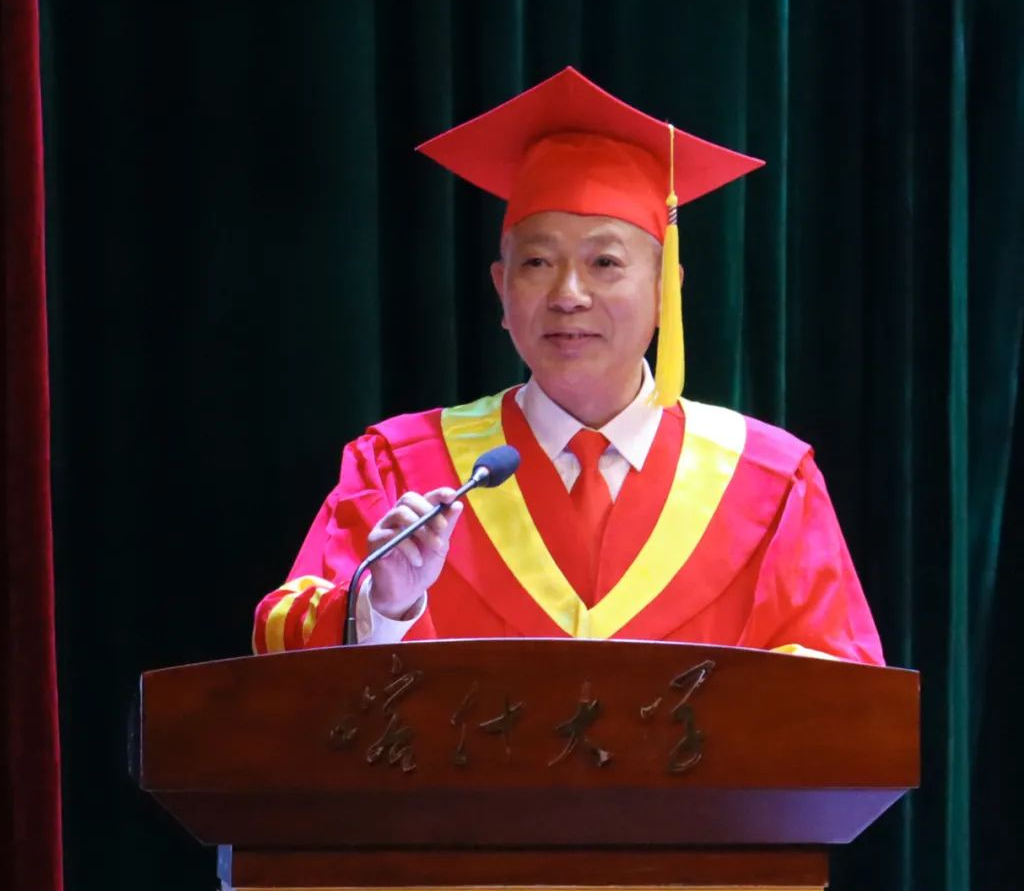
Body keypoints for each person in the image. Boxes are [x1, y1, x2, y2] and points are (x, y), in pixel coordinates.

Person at [252, 68, 883, 666]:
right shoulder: (404, 469)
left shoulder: (769, 483)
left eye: (605, 263)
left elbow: (843, 696)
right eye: (537, 263)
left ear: (666, 289)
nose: (568, 294)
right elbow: (281, 647)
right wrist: (382, 606)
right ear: (501, 290)